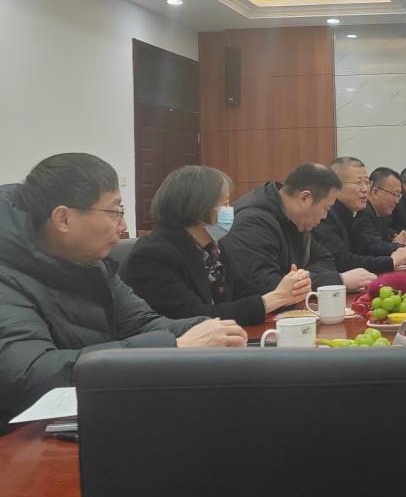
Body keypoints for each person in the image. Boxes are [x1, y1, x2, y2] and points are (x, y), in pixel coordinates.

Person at [0, 154, 247, 433]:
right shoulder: (7, 278)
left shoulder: (92, 263)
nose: (123, 225)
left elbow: (142, 323)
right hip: (18, 442)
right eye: (114, 211)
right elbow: (29, 375)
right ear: (64, 219)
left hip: (87, 420)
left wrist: (206, 329)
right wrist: (174, 347)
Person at [123, 166, 313, 325]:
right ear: (198, 208)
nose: (231, 210)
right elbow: (197, 316)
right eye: (226, 204)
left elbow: (244, 293)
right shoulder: (153, 256)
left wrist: (289, 290)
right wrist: (274, 298)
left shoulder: (213, 247)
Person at [221, 163, 362, 295]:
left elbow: (324, 259)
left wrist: (299, 278)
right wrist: (337, 280)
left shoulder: (295, 220)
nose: (325, 216)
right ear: (305, 198)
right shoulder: (252, 222)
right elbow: (266, 286)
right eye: (326, 208)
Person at [313, 157, 406, 276]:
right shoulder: (326, 216)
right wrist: (391, 261)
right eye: (358, 183)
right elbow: (342, 261)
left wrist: (399, 250)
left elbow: (366, 247)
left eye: (367, 183)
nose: (365, 189)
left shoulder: (352, 213)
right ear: (335, 186)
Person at [353, 167, 406, 255]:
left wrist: (398, 237)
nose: (397, 201)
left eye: (398, 195)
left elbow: (383, 238)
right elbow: (374, 247)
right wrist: (402, 246)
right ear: (375, 192)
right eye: (394, 194)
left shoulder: (381, 214)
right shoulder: (363, 213)